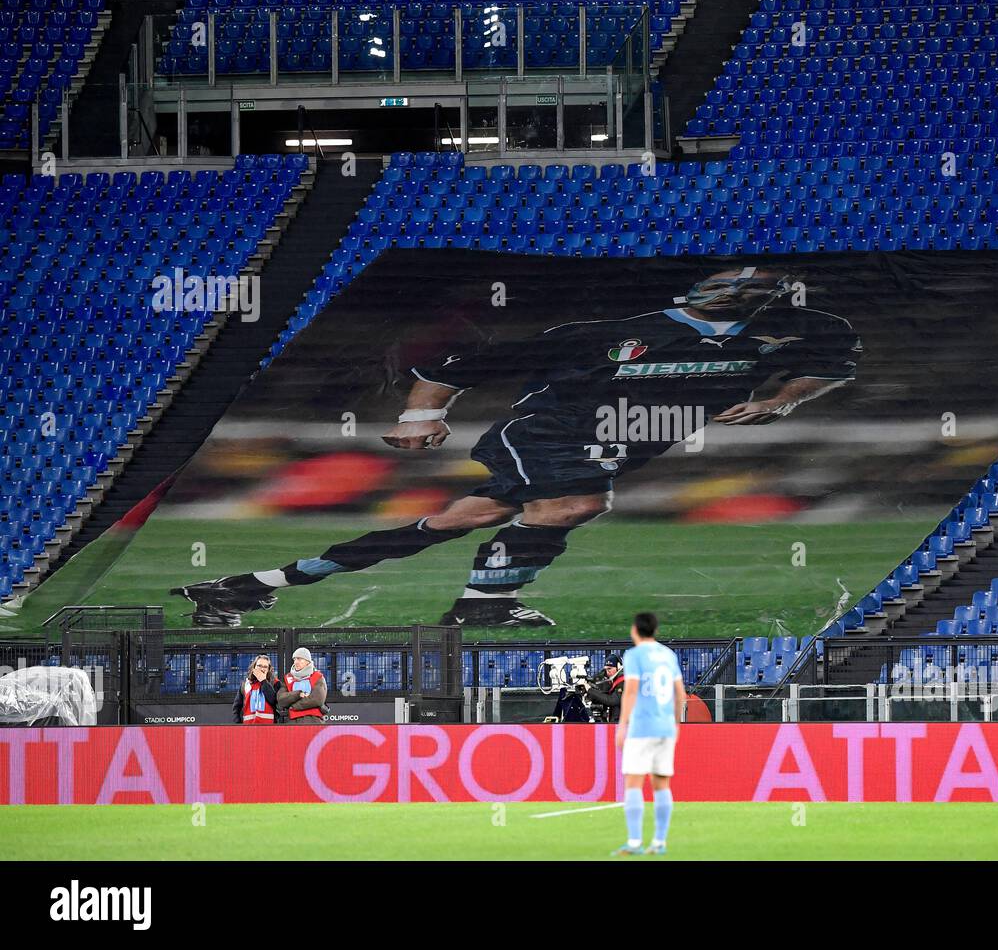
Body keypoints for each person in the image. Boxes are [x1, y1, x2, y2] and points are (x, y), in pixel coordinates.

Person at [171, 268, 862, 628]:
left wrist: (779, 402)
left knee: (452, 522)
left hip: (617, 448)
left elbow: (831, 364)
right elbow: (452, 364)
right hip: (545, 436)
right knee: (576, 502)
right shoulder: (609, 332)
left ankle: (245, 586)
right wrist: (420, 416)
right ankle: (485, 603)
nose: (751, 301)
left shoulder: (794, 334)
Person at [614, 613, 686, 856]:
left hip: (642, 727)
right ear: (655, 630)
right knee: (661, 784)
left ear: (635, 630)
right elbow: (681, 694)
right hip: (666, 727)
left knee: (633, 783)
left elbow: (631, 691)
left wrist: (622, 725)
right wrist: (675, 724)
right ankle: (659, 842)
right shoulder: (668, 654)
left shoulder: (634, 655)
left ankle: (634, 842)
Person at [277, 647, 327, 725]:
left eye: (299, 659)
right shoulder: (287, 678)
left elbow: (317, 699)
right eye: (295, 659)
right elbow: (281, 699)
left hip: (313, 721)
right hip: (292, 722)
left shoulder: (318, 677)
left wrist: (293, 706)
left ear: (308, 661)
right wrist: (298, 694)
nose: (296, 662)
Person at [233, 654, 281, 725]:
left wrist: (263, 681)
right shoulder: (245, 684)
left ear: (269, 669)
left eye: (265, 667)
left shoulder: (275, 683)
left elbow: (274, 701)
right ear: (254, 667)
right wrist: (238, 723)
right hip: (247, 727)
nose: (262, 669)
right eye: (259, 666)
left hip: (269, 727)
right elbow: (237, 706)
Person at [579, 654, 625, 723]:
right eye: (606, 669)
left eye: (610, 669)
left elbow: (612, 700)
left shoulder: (624, 681)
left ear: (618, 667)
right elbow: (598, 678)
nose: (607, 672)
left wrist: (590, 690)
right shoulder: (613, 679)